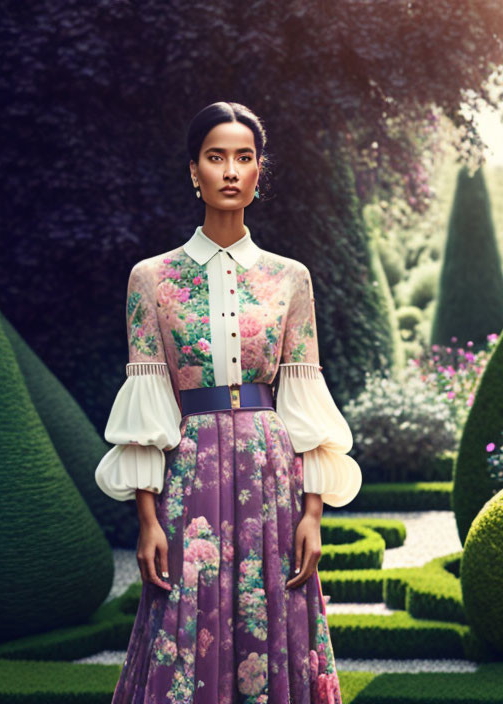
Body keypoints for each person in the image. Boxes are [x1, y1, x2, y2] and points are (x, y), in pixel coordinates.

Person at [95, 101, 361, 704]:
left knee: (280, 618)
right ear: (194, 170)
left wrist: (313, 514)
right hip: (190, 477)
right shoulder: (152, 279)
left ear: (259, 171)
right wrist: (146, 519)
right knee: (182, 626)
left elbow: (306, 402)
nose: (231, 170)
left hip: (273, 478)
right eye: (217, 157)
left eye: (245, 157)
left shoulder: (291, 278)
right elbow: (147, 408)